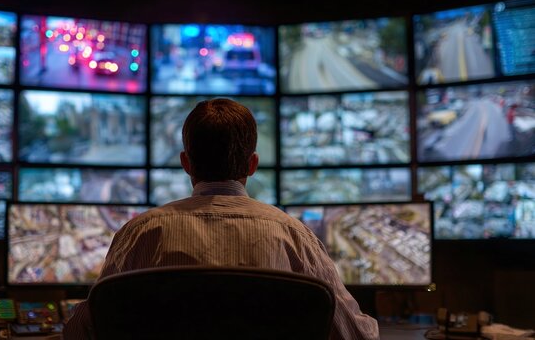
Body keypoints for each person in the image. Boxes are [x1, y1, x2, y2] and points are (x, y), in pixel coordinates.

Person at [63, 98, 379, 339]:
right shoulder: (295, 236)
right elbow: (357, 334)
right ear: (253, 164)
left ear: (186, 163)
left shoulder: (140, 234)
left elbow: (80, 332)